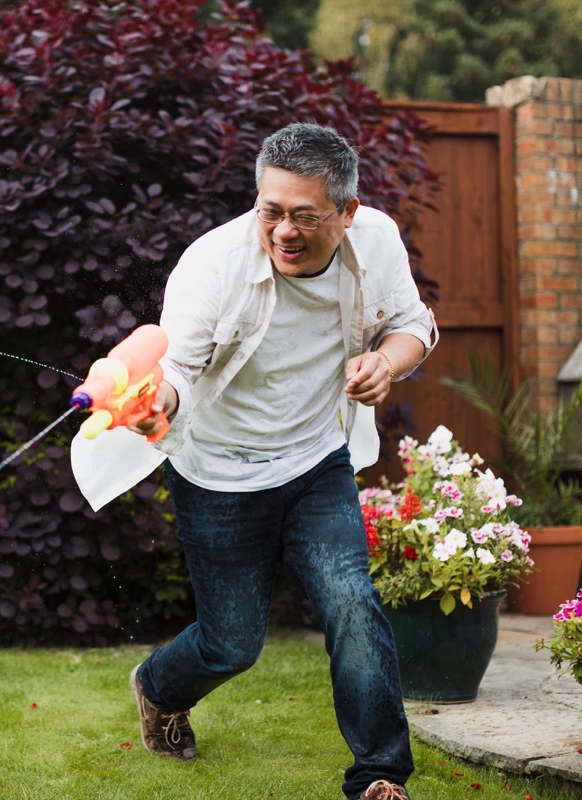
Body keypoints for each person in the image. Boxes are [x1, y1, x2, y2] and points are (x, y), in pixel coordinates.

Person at [72, 123, 438, 800]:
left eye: (305, 215)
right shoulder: (212, 265)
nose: (284, 232)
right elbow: (175, 369)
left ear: (347, 213)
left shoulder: (377, 239)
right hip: (218, 472)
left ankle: (379, 776)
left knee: (352, 602)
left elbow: (415, 326)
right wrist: (157, 409)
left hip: (316, 462)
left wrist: (385, 362)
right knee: (232, 643)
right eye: (271, 211)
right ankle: (158, 686)